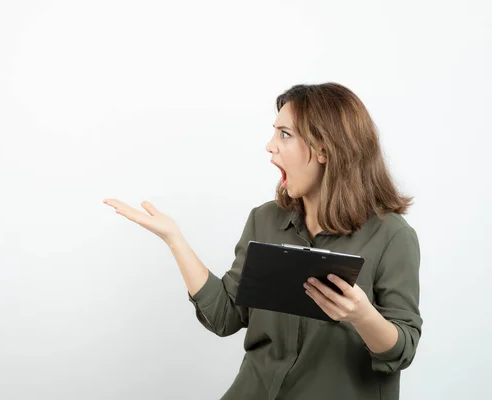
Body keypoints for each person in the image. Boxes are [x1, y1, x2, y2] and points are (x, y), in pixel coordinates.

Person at [103, 82, 422, 400]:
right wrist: (175, 240)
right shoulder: (264, 220)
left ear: (324, 149)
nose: (270, 146)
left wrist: (362, 315)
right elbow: (226, 315)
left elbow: (401, 351)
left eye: (285, 134)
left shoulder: (391, 236)